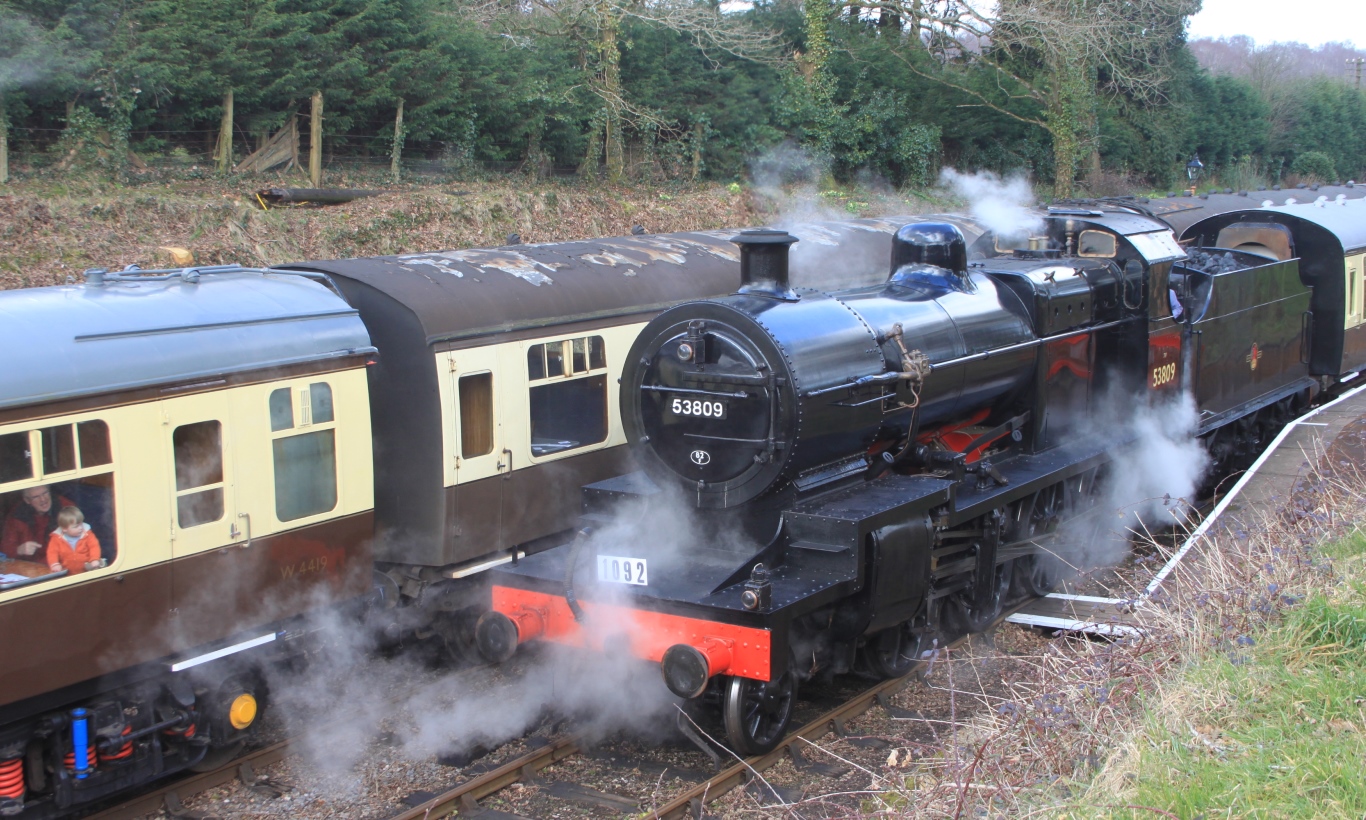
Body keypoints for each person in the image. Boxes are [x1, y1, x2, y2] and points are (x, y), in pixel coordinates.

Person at [1, 485, 74, 563]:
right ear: (27, 500)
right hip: (29, 568)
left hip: (60, 564)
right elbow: (4, 550)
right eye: (36, 497)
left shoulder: (65, 508)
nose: (43, 499)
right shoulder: (17, 516)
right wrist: (19, 550)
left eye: (45, 493)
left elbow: (77, 542)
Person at [46, 506, 102, 575]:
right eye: (76, 526)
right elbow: (52, 552)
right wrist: (54, 564)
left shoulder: (87, 534)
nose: (80, 528)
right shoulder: (56, 538)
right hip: (66, 574)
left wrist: (94, 559)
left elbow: (94, 546)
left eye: (81, 524)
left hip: (87, 572)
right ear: (64, 529)